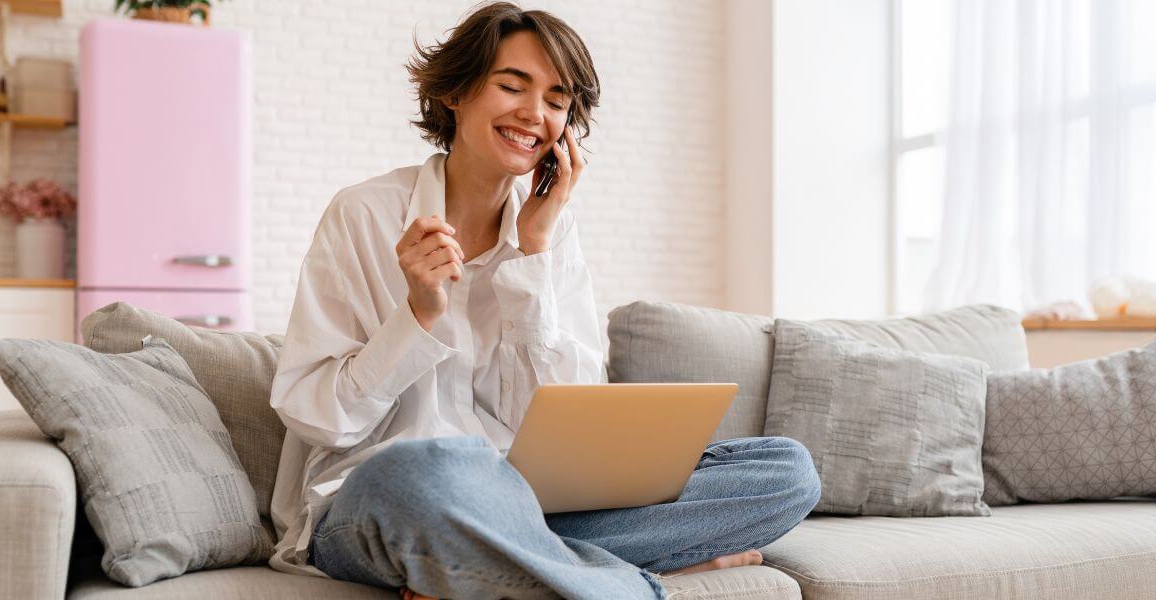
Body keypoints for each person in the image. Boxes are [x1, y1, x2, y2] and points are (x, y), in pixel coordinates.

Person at [266, 2, 822, 598]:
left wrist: (533, 257)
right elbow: (317, 418)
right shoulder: (363, 214)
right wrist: (419, 316)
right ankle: (628, 581)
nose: (535, 114)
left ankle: (479, 571)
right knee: (426, 470)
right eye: (512, 85)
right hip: (384, 501)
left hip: (526, 504)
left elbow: (576, 426)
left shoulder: (552, 235)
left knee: (785, 472)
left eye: (557, 101)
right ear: (456, 91)